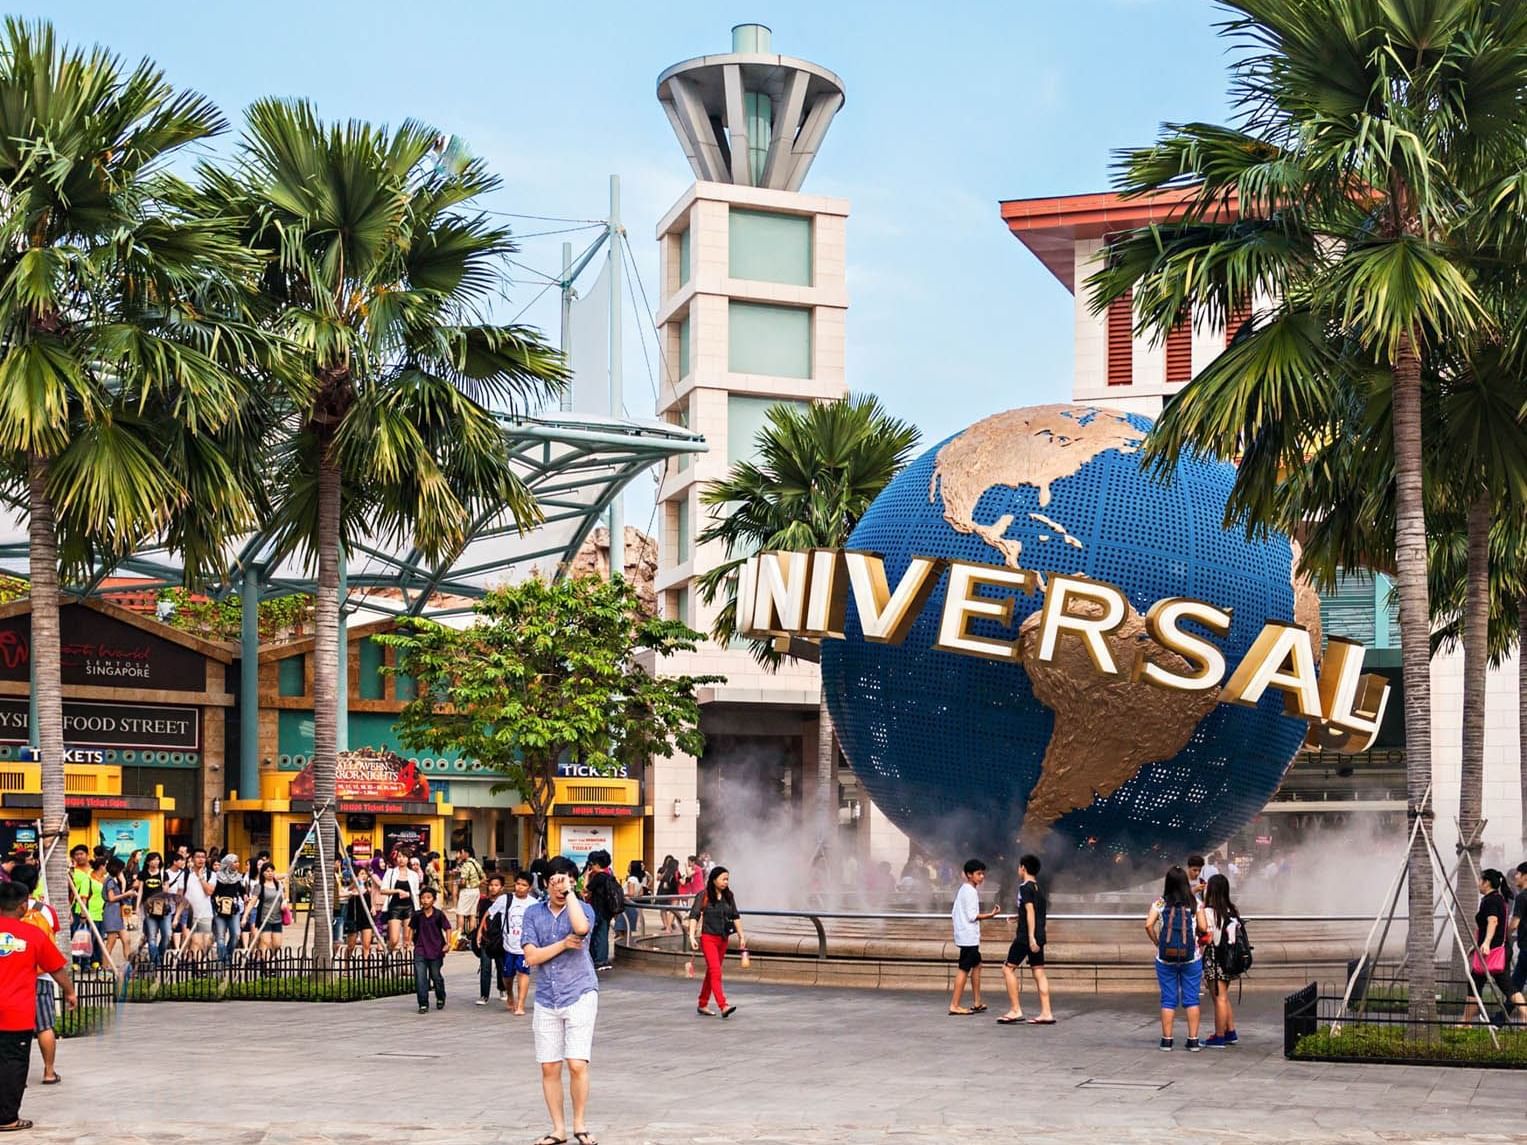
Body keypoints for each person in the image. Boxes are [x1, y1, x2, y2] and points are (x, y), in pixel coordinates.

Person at [523, 866, 598, 1145]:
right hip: (546, 996)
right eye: (554, 881)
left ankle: (580, 1124)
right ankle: (558, 1129)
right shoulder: (534, 913)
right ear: (545, 883)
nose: (558, 886)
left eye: (564, 880)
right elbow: (531, 956)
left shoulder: (583, 909)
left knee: (577, 1063)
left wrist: (570, 893)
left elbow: (581, 928)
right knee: (549, 1067)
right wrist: (564, 944)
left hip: (580, 992)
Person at [0, 880, 76, 1132]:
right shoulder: (33, 935)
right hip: (15, 1014)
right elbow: (56, 968)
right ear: (23, 906)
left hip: (13, 1013)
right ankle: (7, 1118)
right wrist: (69, 992)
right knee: (13, 1064)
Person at [1146, 865, 1210, 1051]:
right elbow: (1204, 927)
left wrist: (1158, 943)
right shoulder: (1195, 902)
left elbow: (1148, 925)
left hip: (1165, 958)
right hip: (1191, 958)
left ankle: (1167, 1040)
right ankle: (1193, 1040)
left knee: (1168, 1000)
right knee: (1191, 1000)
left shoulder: (1160, 902)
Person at [1459, 868, 1527, 1025]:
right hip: (1491, 950)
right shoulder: (1494, 899)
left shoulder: (1492, 901)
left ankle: (1466, 1021)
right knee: (1481, 984)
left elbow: (1493, 922)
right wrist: (1476, 945)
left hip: (1493, 952)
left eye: (1480, 880)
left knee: (1506, 987)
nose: (1478, 883)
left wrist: (1486, 943)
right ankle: (1466, 1021)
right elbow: (1484, 927)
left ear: (1486, 882)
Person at [998, 853, 1054, 1025]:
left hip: (1025, 937)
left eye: (1019, 867)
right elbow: (1034, 912)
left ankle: (1015, 1010)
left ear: (1023, 868)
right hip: (1040, 935)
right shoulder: (1039, 888)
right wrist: (1018, 916)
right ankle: (1046, 1012)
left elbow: (1030, 912)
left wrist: (1030, 937)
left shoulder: (1025, 887)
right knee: (1039, 972)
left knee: (1007, 969)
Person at [687, 865, 747, 1018]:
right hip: (708, 938)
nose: (726, 882)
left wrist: (741, 936)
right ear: (714, 880)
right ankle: (723, 1005)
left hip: (723, 938)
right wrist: (692, 936)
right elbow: (694, 915)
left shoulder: (729, 896)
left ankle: (702, 1003)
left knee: (712, 972)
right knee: (716, 971)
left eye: (727, 879)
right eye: (723, 879)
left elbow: (735, 916)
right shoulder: (703, 895)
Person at [20, 890, 61, 1088]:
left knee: (14, 1030)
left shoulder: (6, 910)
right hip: (41, 976)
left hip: (11, 977)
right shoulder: (46, 910)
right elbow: (52, 937)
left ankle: (17, 1074)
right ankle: (49, 1071)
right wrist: (68, 990)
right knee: (44, 1026)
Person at [949, 858, 998, 1016]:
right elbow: (972, 916)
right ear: (969, 875)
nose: (982, 877)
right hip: (968, 937)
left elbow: (955, 912)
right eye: (978, 874)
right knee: (964, 969)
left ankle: (977, 1002)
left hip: (966, 936)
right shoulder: (970, 892)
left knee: (977, 965)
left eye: (983, 874)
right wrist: (991, 915)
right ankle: (954, 1005)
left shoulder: (964, 889)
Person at [1201, 872, 1243, 1046]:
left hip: (1215, 957)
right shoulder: (1232, 910)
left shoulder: (1209, 912)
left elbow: (1206, 936)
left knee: (1219, 998)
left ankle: (1219, 1036)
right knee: (1223, 997)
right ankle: (1230, 1031)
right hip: (1230, 958)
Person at [409, 887, 452, 1013]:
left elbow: (447, 928)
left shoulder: (439, 914)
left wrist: (448, 943)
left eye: (428, 898)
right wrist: (408, 942)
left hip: (436, 949)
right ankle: (423, 1003)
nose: (425, 900)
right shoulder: (417, 915)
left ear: (434, 900)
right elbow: (411, 928)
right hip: (420, 949)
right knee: (420, 977)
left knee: (435, 976)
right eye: (423, 898)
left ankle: (440, 996)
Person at [503, 871, 536, 1015]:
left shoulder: (534, 904)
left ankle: (521, 1004)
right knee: (508, 975)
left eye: (524, 885)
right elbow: (489, 914)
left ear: (529, 888)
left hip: (525, 946)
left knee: (523, 973)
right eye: (518, 884)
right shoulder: (506, 899)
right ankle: (510, 994)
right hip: (508, 944)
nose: (520, 887)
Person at [66, 846, 103, 970]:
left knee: (95, 936)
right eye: (76, 854)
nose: (79, 856)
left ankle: (95, 960)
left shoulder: (95, 870)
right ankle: (77, 961)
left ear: (87, 855)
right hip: (78, 908)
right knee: (78, 935)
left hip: (96, 909)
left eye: (81, 853)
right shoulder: (71, 872)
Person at [583, 851, 621, 972]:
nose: (591, 867)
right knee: (603, 934)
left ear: (597, 864)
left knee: (596, 935)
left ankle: (599, 960)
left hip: (597, 910)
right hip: (607, 911)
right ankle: (602, 959)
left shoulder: (599, 877)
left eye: (592, 864)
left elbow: (585, 889)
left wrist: (586, 877)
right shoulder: (609, 876)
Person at [476, 873, 508, 1006]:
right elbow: (480, 918)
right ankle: (484, 995)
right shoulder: (483, 902)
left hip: (500, 939)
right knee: (485, 967)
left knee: (501, 966)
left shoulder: (506, 902)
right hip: (486, 938)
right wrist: (479, 933)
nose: (493, 888)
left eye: (496, 885)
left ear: (502, 887)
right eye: (491, 885)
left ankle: (502, 988)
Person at [242, 862, 286, 959]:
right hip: (264, 919)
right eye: (267, 871)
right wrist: (245, 916)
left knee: (277, 944)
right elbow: (252, 902)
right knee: (266, 942)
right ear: (263, 873)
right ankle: (266, 965)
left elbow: (284, 898)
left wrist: (284, 902)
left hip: (277, 919)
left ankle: (267, 958)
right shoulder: (259, 886)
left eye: (272, 871)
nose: (270, 873)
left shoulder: (279, 885)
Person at [138, 852, 172, 964]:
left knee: (166, 935)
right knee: (151, 937)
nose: (156, 862)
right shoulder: (143, 874)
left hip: (163, 908)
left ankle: (160, 955)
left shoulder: (163, 874)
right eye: (153, 859)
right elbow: (140, 890)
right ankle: (155, 961)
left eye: (158, 859)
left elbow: (167, 891)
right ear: (148, 862)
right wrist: (137, 906)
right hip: (149, 909)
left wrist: (165, 888)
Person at [381, 851, 420, 951]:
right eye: (399, 857)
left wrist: (409, 895)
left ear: (408, 859)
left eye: (404, 857)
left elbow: (416, 893)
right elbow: (383, 890)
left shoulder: (413, 875)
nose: (401, 859)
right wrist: (397, 891)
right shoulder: (390, 872)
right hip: (394, 907)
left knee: (407, 940)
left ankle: (405, 964)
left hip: (409, 907)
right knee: (394, 939)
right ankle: (388, 954)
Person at [210, 854, 245, 961]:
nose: (237, 864)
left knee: (236, 935)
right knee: (220, 937)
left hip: (234, 909)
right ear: (228, 863)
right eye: (235, 862)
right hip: (219, 909)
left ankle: (228, 954)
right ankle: (223, 959)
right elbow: (212, 893)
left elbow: (242, 891)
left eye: (237, 861)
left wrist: (245, 895)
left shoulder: (238, 877)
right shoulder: (217, 876)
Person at [182, 847, 216, 958]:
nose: (200, 860)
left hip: (205, 914)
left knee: (205, 943)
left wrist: (201, 878)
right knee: (194, 942)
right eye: (198, 857)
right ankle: (196, 967)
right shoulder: (185, 875)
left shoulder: (211, 875)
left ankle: (198, 962)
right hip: (189, 914)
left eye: (203, 857)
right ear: (192, 859)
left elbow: (209, 891)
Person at [99, 857, 129, 969]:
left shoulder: (113, 880)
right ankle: (104, 966)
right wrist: (126, 894)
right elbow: (111, 898)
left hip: (116, 913)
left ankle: (128, 964)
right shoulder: (110, 881)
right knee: (111, 942)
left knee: (126, 939)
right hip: (111, 912)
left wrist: (123, 881)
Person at [343, 864, 377, 958]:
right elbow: (344, 894)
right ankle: (346, 967)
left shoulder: (369, 889)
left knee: (366, 945)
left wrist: (373, 907)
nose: (364, 876)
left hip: (366, 918)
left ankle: (366, 970)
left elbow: (372, 901)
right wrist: (354, 890)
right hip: (354, 917)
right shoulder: (351, 890)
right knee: (351, 945)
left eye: (365, 874)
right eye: (361, 874)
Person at [454, 845, 484, 950]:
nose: (460, 855)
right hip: (476, 891)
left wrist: (458, 885)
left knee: (460, 913)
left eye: (461, 852)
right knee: (472, 914)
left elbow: (462, 881)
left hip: (466, 891)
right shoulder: (476, 863)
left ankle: (459, 935)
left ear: (466, 853)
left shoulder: (466, 865)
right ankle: (472, 937)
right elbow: (484, 877)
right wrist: (476, 884)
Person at [1511, 863, 1527, 1003]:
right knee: (1515, 985)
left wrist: (1504, 935)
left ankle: (1498, 1021)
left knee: (1514, 985)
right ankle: (1498, 1021)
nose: (1515, 877)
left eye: (1518, 874)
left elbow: (1514, 923)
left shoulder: (1522, 897)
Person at [656, 856, 681, 934]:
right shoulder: (676, 873)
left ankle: (669, 927)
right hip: (675, 894)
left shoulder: (667, 873)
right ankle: (669, 927)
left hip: (667, 893)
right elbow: (681, 882)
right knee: (673, 911)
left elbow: (665, 885)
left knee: (672, 910)